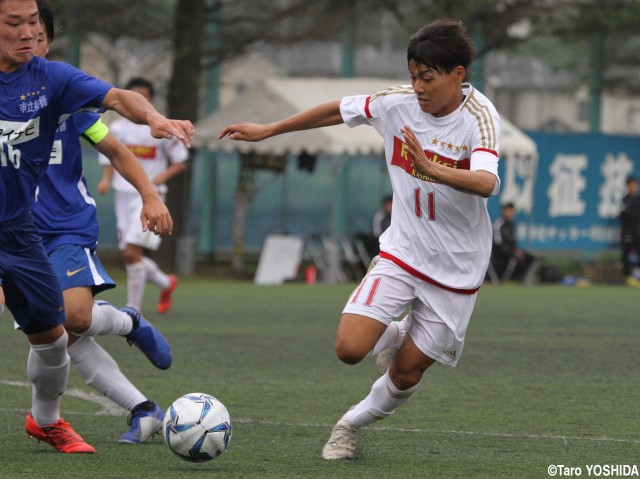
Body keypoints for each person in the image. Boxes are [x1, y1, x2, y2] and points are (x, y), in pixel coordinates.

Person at [219, 19, 501, 460]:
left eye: (427, 78)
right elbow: (338, 109)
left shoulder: (479, 117)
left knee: (407, 375)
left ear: (457, 75)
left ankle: (349, 425)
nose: (418, 87)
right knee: (350, 349)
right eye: (413, 76)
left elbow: (485, 182)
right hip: (403, 250)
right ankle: (391, 333)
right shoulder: (396, 104)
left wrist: (433, 169)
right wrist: (269, 130)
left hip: (458, 265)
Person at [0, 0, 193, 454]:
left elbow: (121, 113)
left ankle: (122, 329)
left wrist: (153, 126)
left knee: (69, 324)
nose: (31, 36)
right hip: (25, 226)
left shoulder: (59, 88)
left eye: (37, 27)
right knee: (62, 329)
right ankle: (139, 406)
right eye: (17, 25)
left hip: (55, 227)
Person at [98, 77, 188, 314]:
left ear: (150, 99)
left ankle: (133, 309)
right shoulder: (117, 128)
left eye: (144, 96)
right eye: (134, 94)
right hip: (123, 193)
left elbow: (180, 162)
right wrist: (106, 180)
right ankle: (166, 283)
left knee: (131, 252)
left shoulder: (159, 126)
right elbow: (111, 156)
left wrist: (160, 178)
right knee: (129, 255)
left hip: (149, 196)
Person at [491, 202, 537, 284]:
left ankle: (521, 279)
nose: (510, 213)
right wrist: (513, 252)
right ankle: (505, 279)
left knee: (530, 258)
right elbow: (498, 244)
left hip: (511, 251)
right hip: (500, 253)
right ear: (503, 211)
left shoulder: (512, 224)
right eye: (508, 211)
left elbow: (514, 242)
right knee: (514, 258)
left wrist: (517, 250)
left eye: (512, 211)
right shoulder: (498, 224)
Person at [620, 176, 640, 284]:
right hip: (627, 231)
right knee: (626, 254)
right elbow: (624, 215)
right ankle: (626, 276)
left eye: (634, 185)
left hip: (637, 231)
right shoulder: (624, 200)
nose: (632, 187)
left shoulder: (638, 199)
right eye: (630, 185)